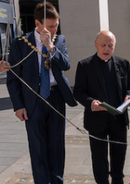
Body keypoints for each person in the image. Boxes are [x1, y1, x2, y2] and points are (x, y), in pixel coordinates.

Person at [6, 2, 77, 183]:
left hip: (56, 97)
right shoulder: (20, 43)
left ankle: (56, 180)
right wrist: (18, 105)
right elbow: (13, 78)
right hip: (33, 100)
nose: (54, 29)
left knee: (56, 145)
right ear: (37, 24)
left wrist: (51, 47)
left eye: (56, 25)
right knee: (37, 146)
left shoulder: (59, 40)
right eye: (50, 26)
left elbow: (66, 65)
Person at [73, 30, 130, 184]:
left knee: (119, 154)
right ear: (96, 44)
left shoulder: (123, 63)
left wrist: (129, 95)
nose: (106, 49)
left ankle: (117, 180)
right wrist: (91, 103)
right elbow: (78, 92)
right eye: (103, 45)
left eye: (110, 45)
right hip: (96, 120)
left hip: (118, 119)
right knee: (99, 157)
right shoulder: (84, 65)